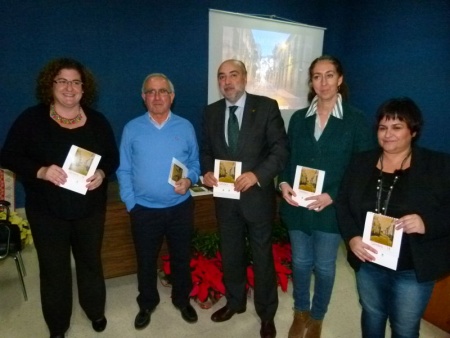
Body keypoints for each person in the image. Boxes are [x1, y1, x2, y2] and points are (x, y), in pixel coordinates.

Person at [0, 58, 119, 338]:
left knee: (90, 262)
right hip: (46, 212)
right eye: (62, 81)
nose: (69, 88)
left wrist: (102, 174)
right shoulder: (32, 119)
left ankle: (95, 311)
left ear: (83, 88)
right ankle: (57, 325)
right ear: (50, 85)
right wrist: (40, 170)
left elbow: (112, 158)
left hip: (89, 210)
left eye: (76, 82)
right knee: (55, 271)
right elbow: (8, 155)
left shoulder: (98, 122)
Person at [336, 97, 450, 338]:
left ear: (414, 131)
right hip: (369, 262)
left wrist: (426, 223)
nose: (388, 134)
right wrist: (352, 237)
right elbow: (344, 204)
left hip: (412, 267)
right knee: (372, 315)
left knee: (405, 327)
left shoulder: (438, 166)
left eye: (397, 127)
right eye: (383, 127)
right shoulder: (361, 162)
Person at [279, 55, 374, 338]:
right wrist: (283, 183)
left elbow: (362, 169)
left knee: (323, 266)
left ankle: (318, 316)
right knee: (299, 263)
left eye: (329, 75)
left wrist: (332, 195)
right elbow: (286, 158)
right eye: (317, 76)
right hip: (298, 206)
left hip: (332, 210)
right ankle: (300, 312)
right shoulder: (298, 118)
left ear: (340, 79)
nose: (323, 82)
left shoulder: (356, 120)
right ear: (311, 82)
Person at [201, 59, 289, 338]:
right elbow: (205, 151)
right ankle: (235, 302)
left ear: (245, 78)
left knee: (262, 257)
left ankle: (266, 314)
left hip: (257, 198)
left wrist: (257, 175)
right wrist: (205, 172)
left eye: (233, 75)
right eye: (222, 77)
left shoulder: (266, 107)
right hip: (225, 199)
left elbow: (280, 149)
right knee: (231, 253)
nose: (227, 82)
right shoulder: (211, 112)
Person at [116, 73, 200, 331]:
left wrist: (189, 180)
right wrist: (132, 204)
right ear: (144, 98)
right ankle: (147, 303)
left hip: (180, 208)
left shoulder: (185, 126)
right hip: (144, 211)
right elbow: (124, 170)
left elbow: (195, 164)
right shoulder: (132, 128)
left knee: (181, 258)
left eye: (162, 91)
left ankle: (182, 299)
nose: (157, 97)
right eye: (150, 92)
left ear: (172, 97)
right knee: (145, 260)